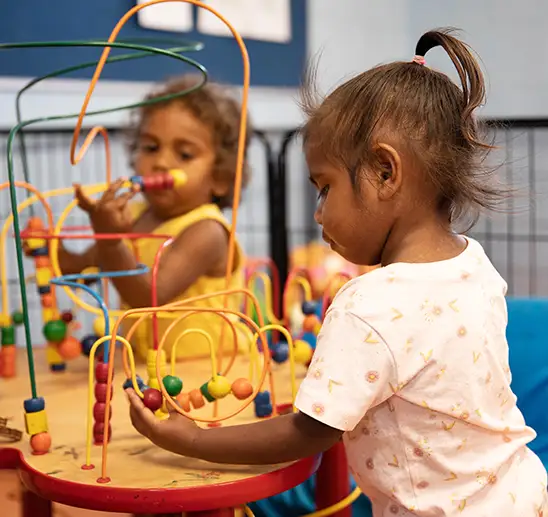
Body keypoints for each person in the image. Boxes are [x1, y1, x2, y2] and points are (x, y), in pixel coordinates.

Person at [126, 28, 548, 516]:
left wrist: (192, 438)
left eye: (324, 188)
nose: (319, 213)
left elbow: (308, 432)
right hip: (521, 492)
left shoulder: (367, 304)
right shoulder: (475, 263)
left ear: (385, 174)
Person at [57, 74, 251, 360]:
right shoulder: (134, 216)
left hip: (211, 374)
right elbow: (82, 268)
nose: (160, 162)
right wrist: (50, 249)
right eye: (150, 148)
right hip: (148, 370)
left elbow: (150, 296)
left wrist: (111, 241)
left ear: (220, 178)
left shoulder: (208, 231)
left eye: (184, 154)